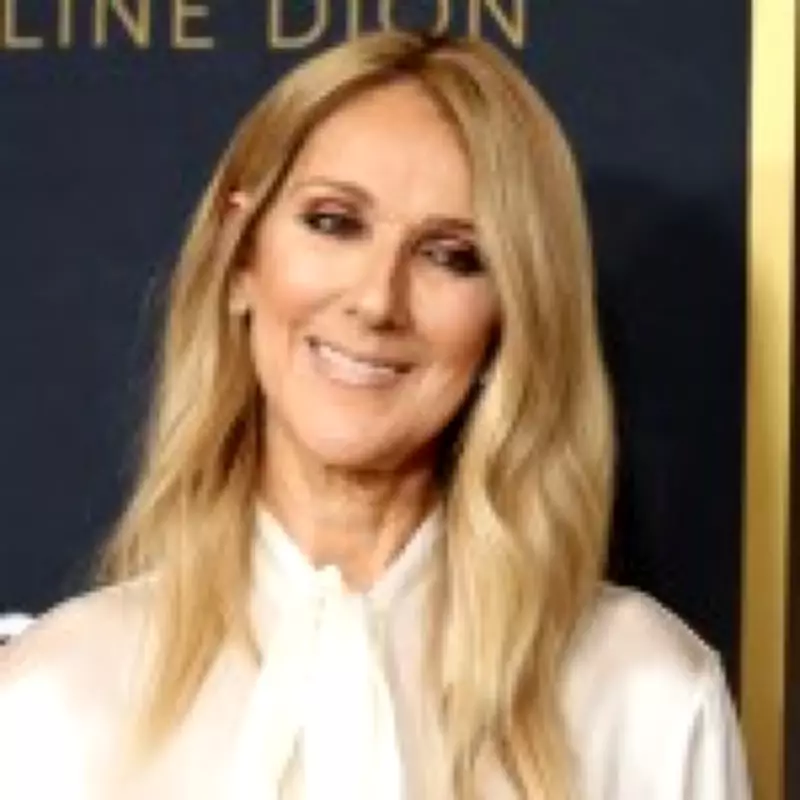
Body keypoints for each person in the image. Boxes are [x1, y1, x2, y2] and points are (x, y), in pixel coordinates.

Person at [0, 31, 750, 799]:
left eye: (451, 255)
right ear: (240, 254)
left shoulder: (643, 695)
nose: (377, 300)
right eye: (333, 222)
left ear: (511, 319)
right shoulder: (52, 698)